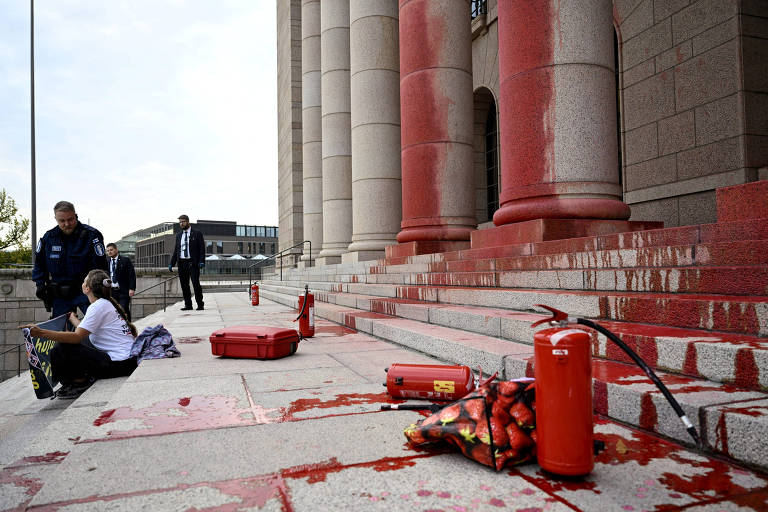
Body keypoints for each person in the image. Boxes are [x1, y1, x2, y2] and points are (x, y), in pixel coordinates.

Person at [20, 269, 138, 399]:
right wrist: (74, 320)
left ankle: (78, 382)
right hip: (128, 361)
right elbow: (87, 331)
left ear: (87, 288)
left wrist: (41, 332)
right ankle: (79, 378)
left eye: (84, 281)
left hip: (119, 364)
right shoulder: (106, 303)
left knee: (62, 347)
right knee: (79, 341)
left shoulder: (97, 306)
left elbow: (76, 337)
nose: (82, 283)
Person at [32, 201, 108, 317]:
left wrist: (99, 289)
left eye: (70, 219)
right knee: (61, 331)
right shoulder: (49, 238)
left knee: (97, 326)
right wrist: (40, 284)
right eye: (62, 221)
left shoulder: (92, 235)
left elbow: (101, 267)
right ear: (56, 219)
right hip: (60, 294)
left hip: (87, 290)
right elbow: (39, 264)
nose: (67, 224)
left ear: (75, 215)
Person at [168, 214, 205, 311]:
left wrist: (201, 261)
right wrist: (172, 263)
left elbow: (202, 248)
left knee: (195, 283)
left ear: (188, 221)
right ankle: (188, 305)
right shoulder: (179, 235)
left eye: (183, 221)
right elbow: (176, 250)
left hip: (193, 263)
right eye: (180, 222)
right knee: (184, 285)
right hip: (182, 263)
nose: (181, 223)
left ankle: (200, 304)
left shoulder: (197, 233)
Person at [106, 243, 136, 321]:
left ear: (116, 250)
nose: (109, 252)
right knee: (114, 311)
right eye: (108, 250)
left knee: (123, 309)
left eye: (111, 250)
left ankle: (129, 328)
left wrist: (132, 288)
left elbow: (132, 275)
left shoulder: (125, 260)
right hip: (112, 291)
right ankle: (122, 328)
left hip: (123, 291)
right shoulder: (106, 261)